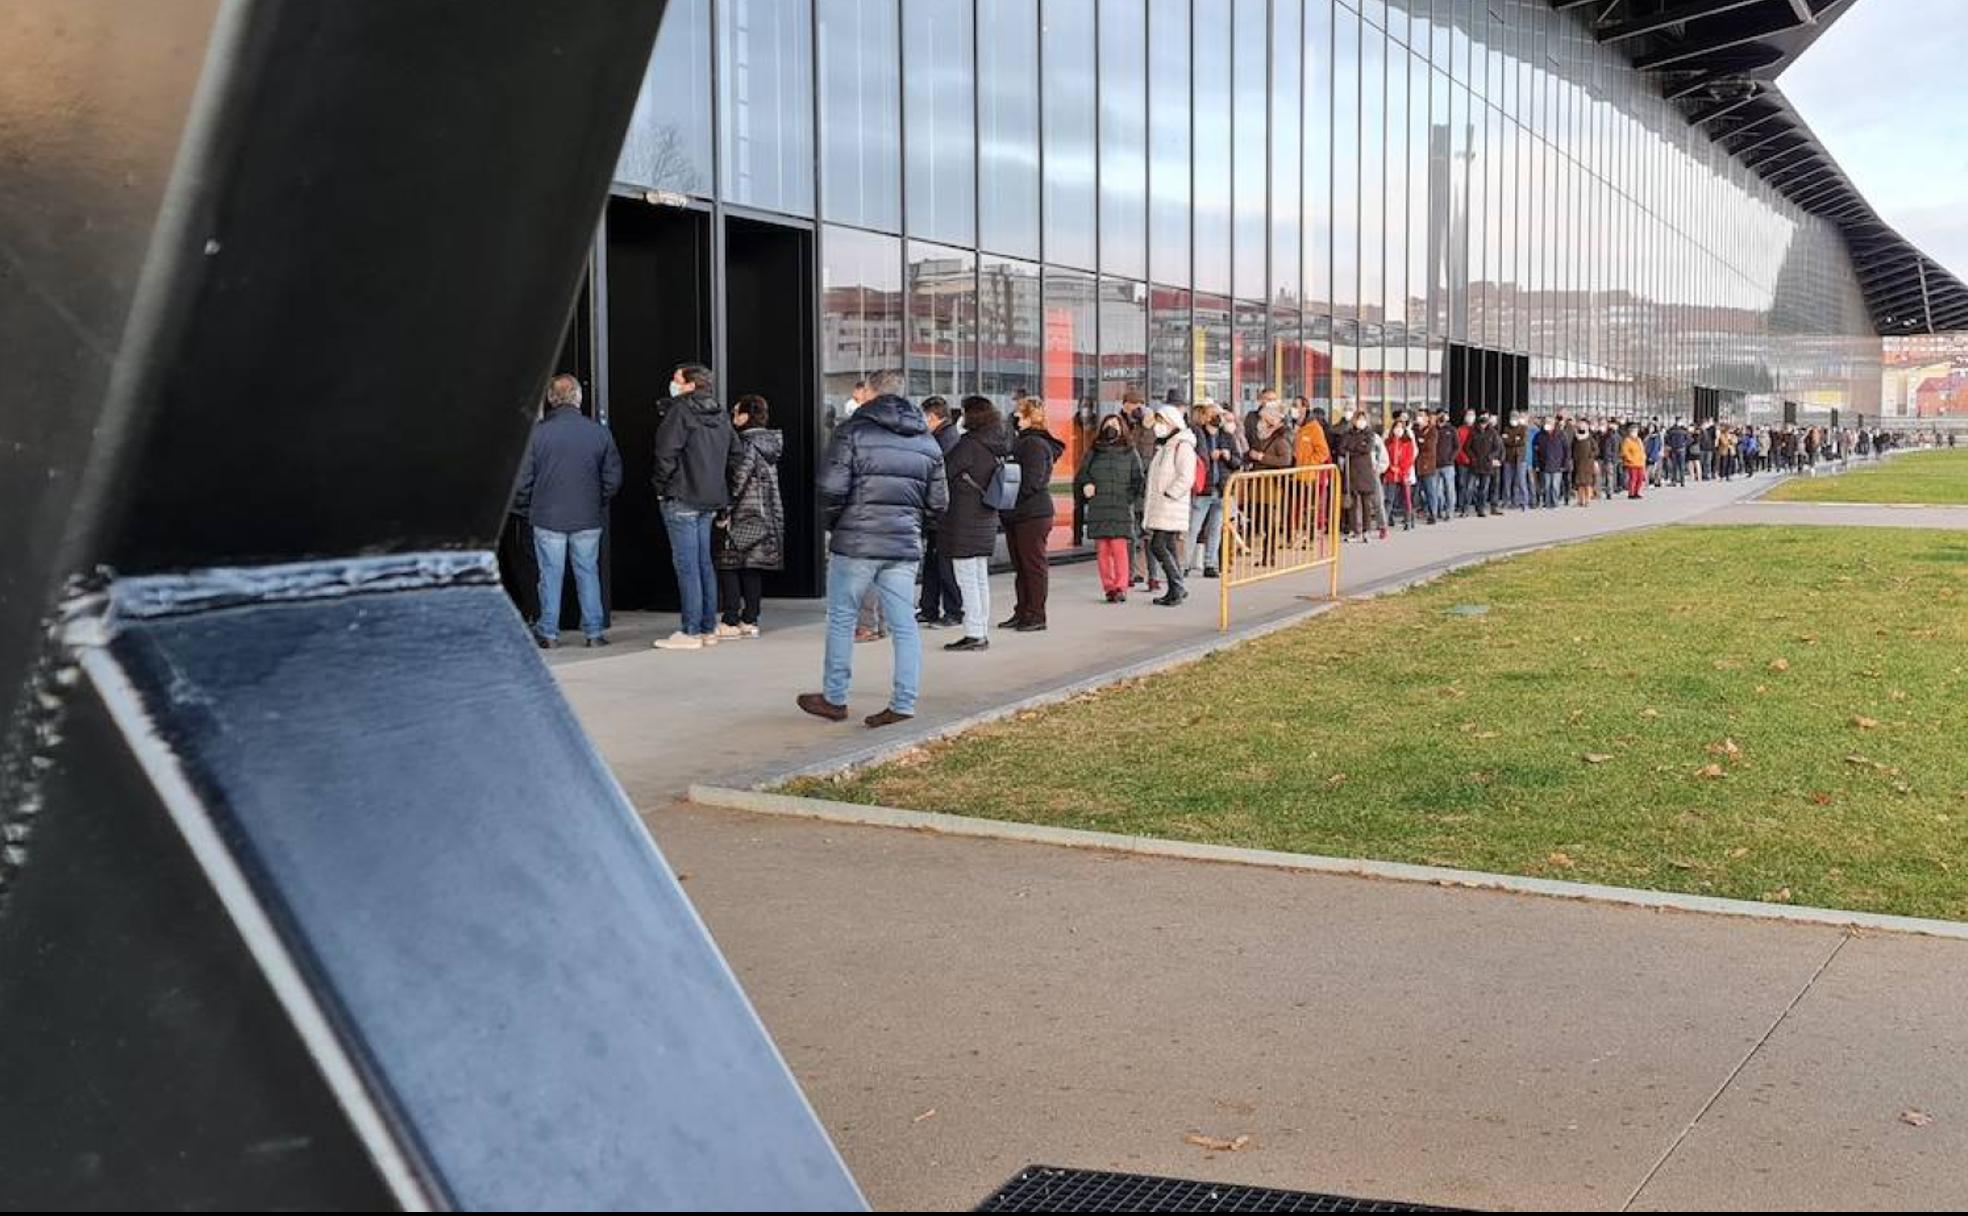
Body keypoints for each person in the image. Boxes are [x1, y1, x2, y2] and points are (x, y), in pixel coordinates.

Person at [799, 370, 948, 728]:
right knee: (904, 626)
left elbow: (831, 490)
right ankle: (904, 701)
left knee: (842, 617)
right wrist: (913, 527)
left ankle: (835, 697)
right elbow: (939, 503)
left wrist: (837, 526)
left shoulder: (852, 432)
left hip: (856, 543)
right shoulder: (926, 441)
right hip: (902, 544)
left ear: (870, 393)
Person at [512, 373, 622, 649]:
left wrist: (528, 506)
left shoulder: (536, 434)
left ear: (551, 400)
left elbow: (522, 480)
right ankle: (594, 633)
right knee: (587, 572)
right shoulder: (599, 432)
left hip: (547, 515)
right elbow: (613, 478)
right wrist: (597, 500)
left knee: (549, 574)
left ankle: (548, 632)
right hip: (587, 515)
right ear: (578, 399)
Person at [651, 363, 737, 651]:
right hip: (711, 498)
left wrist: (663, 488)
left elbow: (665, 453)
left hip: (683, 497)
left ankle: (690, 631)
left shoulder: (680, 412)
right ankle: (708, 627)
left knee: (687, 565)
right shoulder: (722, 414)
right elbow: (735, 454)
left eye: (676, 380)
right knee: (704, 563)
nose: (672, 384)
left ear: (689, 385)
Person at [938, 396, 1012, 651]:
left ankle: (974, 633)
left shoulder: (969, 445)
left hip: (964, 520)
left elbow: (945, 471)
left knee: (967, 578)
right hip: (986, 517)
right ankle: (979, 627)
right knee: (979, 577)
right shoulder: (997, 443)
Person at [712, 395, 785, 639]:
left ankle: (731, 619)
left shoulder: (746, 443)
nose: (733, 418)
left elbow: (738, 480)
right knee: (752, 568)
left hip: (743, 514)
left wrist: (725, 510)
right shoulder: (770, 443)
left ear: (746, 416)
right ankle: (751, 619)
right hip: (764, 515)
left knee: (729, 565)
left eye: (735, 413)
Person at [1001, 396, 1066, 631]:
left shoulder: (1034, 445)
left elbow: (1032, 481)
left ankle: (1036, 614)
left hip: (1031, 513)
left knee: (1032, 566)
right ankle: (1023, 610)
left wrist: (1010, 497)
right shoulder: (1024, 442)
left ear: (1029, 416)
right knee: (1022, 567)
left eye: (1020, 413)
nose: (1015, 417)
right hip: (1020, 513)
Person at [1075, 413, 1146, 603]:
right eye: (1108, 424)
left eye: (1115, 424)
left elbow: (1138, 480)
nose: (1112, 427)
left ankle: (1121, 586)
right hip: (1099, 506)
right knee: (1103, 550)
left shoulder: (1130, 451)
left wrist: (1128, 499)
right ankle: (1109, 587)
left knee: (1119, 548)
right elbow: (1082, 474)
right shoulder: (1094, 451)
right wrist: (1087, 484)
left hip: (1121, 507)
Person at [916, 396, 964, 628]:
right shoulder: (942, 437)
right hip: (940, 512)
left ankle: (953, 610)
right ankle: (929, 607)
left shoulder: (943, 441)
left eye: (924, 416)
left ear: (933, 417)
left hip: (943, 512)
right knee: (933, 562)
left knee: (943, 563)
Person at [1142, 404, 1196, 605]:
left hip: (1170, 504)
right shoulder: (1166, 446)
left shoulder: (1182, 445)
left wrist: (1170, 493)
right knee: (1168, 546)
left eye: (1161, 422)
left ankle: (1177, 586)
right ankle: (1176, 587)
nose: (1158, 426)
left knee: (1158, 545)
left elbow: (1185, 476)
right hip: (1162, 505)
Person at [1188, 403, 1236, 578]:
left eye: (1220, 414)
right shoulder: (1198, 434)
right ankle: (1185, 563)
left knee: (1216, 528)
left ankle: (1211, 564)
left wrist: (1228, 456)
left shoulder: (1227, 436)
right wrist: (1209, 456)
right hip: (1204, 488)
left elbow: (1238, 460)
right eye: (1214, 414)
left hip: (1222, 488)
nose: (1218, 417)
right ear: (1206, 416)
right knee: (1194, 527)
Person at [1338, 408, 1381, 541]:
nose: (1360, 422)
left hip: (1365, 472)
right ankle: (1354, 530)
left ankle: (1366, 530)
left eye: (1362, 419)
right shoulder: (1348, 434)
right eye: (1358, 419)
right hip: (1351, 472)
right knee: (1352, 504)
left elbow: (1367, 448)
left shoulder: (1370, 434)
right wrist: (1357, 447)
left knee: (1366, 503)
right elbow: (1341, 448)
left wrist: (1352, 449)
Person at [1384, 414, 1418, 531]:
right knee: (1389, 499)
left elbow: (1410, 458)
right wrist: (1390, 467)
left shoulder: (1407, 442)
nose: (1398, 430)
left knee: (1406, 499)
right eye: (1396, 427)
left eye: (1400, 427)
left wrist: (1401, 469)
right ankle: (1385, 522)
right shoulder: (1388, 443)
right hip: (1391, 475)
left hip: (1404, 474)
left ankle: (1408, 520)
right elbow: (1384, 457)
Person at [1466, 414, 1501, 519]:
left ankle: (1481, 508)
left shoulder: (1492, 433)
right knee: (1470, 487)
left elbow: (1497, 448)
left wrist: (1491, 457)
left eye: (1485, 423)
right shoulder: (1473, 432)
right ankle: (1467, 507)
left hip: (1487, 465)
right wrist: (1473, 457)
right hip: (1475, 465)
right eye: (1481, 423)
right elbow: (1468, 447)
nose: (1483, 425)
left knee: (1484, 488)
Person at [1537, 412, 1572, 508]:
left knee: (1555, 486)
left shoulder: (1561, 434)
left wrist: (1564, 464)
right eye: (1546, 422)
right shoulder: (1541, 435)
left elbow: (1567, 450)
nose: (1547, 424)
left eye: (1549, 422)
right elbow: (1538, 450)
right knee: (1547, 486)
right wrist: (1539, 463)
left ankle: (1555, 502)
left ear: (1553, 424)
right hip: (1545, 464)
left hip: (1558, 464)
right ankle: (1547, 503)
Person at [1572, 419, 1598, 507]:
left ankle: (1587, 500)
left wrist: (1591, 455)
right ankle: (1580, 500)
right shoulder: (1575, 438)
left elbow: (1596, 450)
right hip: (1578, 463)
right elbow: (1572, 449)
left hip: (1588, 464)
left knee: (1587, 483)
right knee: (1580, 484)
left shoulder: (1590, 438)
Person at [1619, 424, 1646, 500]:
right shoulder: (1627, 441)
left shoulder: (1639, 440)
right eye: (1633, 431)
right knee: (1633, 478)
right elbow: (1624, 451)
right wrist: (1630, 459)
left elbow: (1642, 450)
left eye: (1636, 431)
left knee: (1640, 479)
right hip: (1632, 463)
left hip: (1640, 463)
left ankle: (1637, 492)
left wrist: (1643, 457)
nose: (1635, 433)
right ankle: (1631, 493)